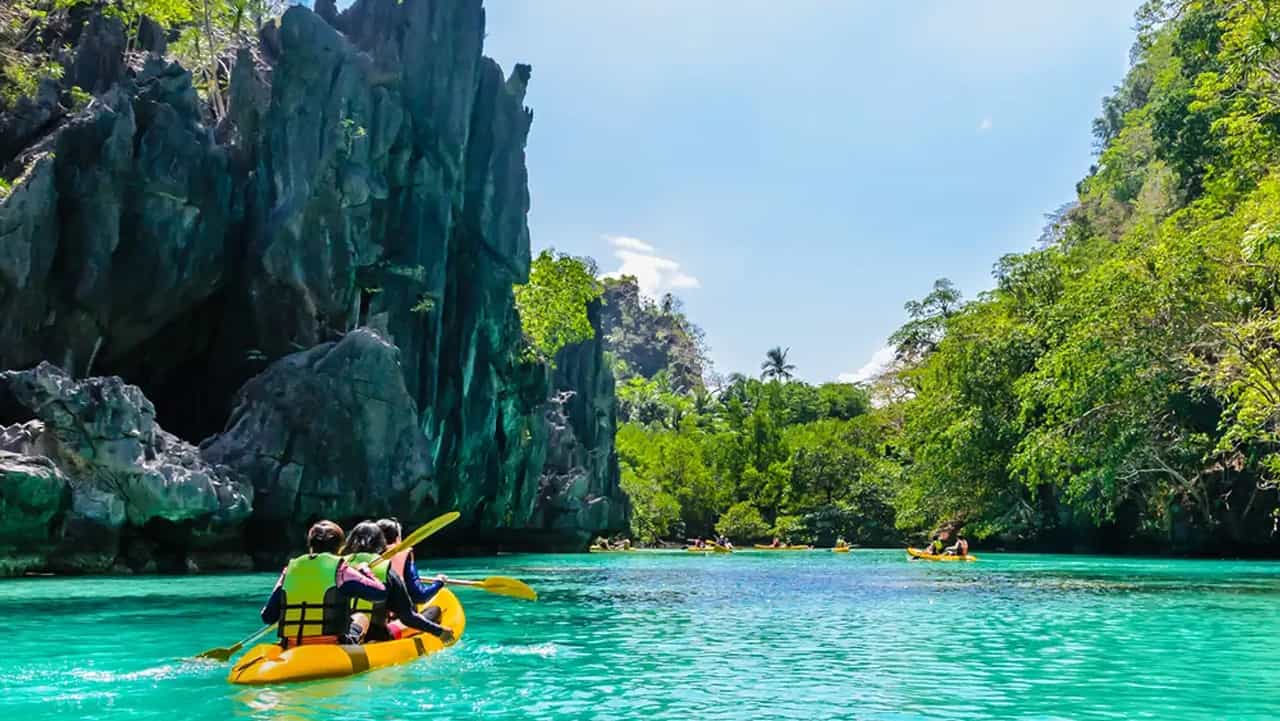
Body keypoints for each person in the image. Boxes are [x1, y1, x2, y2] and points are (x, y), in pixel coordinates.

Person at [260, 520, 392, 647]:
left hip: (292, 643)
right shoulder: (340, 570)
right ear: (340, 548)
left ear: (311, 546)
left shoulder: (289, 570)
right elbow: (380, 593)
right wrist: (365, 570)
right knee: (360, 616)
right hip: (332, 643)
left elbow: (268, 617)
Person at [342, 521, 454, 643]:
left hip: (343, 632)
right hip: (377, 636)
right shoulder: (386, 570)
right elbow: (407, 616)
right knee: (434, 611)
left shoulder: (340, 565)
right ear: (381, 543)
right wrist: (440, 631)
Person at [376, 517, 445, 613]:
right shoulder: (403, 555)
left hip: (363, 615)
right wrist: (439, 582)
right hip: (393, 617)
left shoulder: (362, 556)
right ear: (397, 538)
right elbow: (420, 596)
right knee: (436, 610)